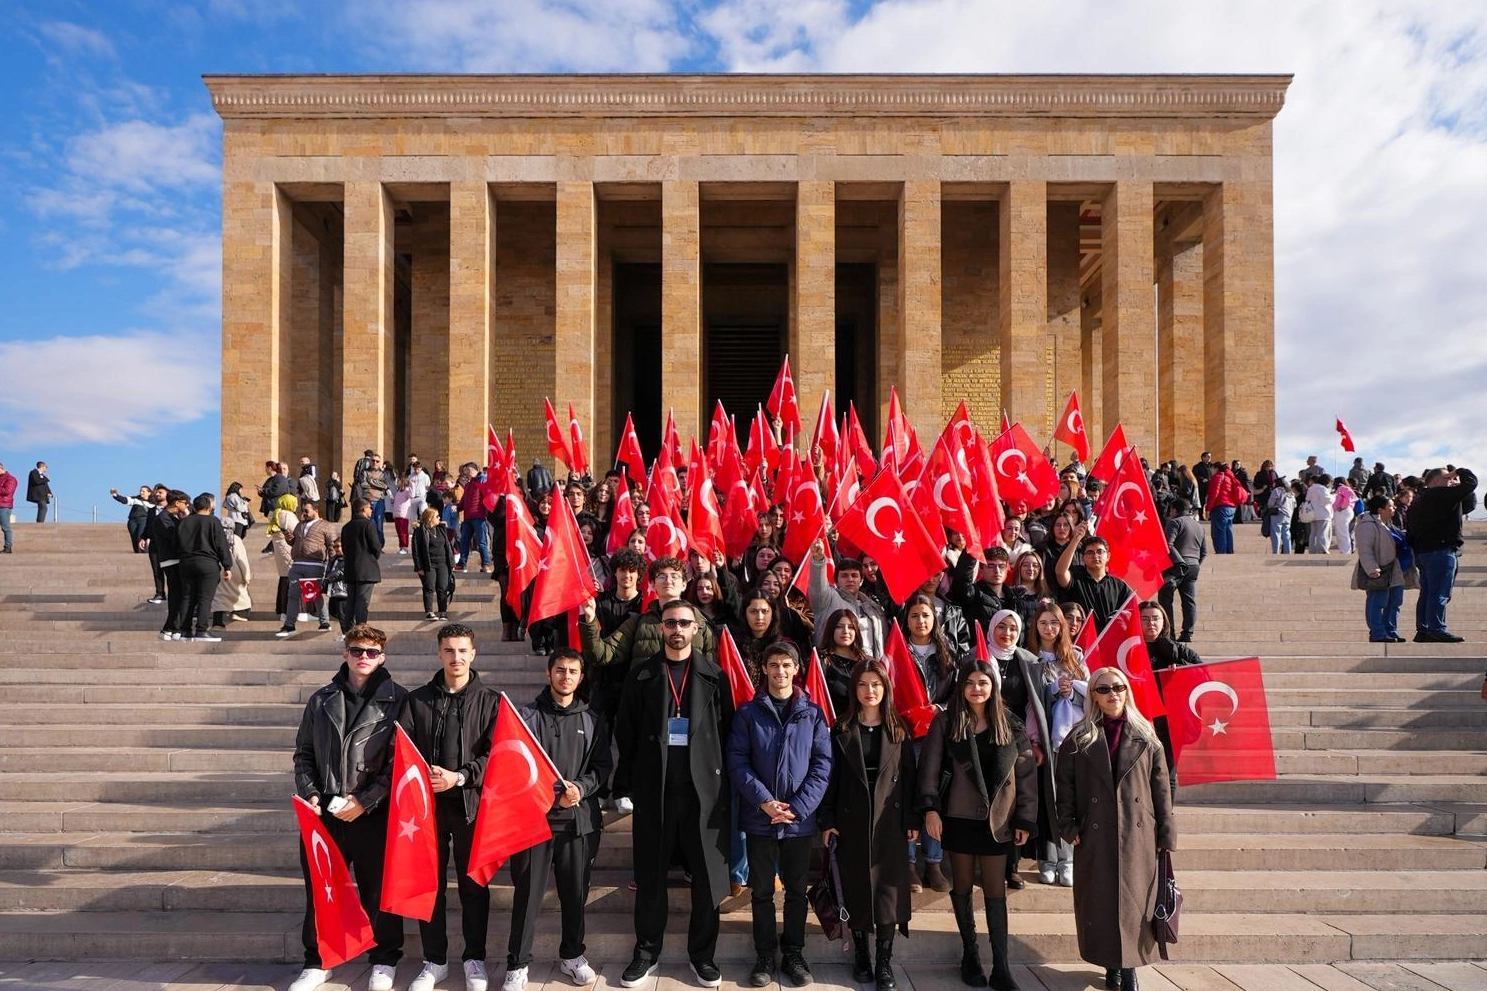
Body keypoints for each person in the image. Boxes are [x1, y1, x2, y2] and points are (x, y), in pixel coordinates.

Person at [612, 598, 733, 989]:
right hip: (656, 790)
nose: (677, 629)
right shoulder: (642, 674)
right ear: (660, 627)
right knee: (650, 878)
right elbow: (626, 731)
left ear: (696, 628)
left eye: (683, 622)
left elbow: (727, 732)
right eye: (670, 623)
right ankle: (646, 952)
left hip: (704, 794)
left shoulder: (715, 675)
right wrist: (627, 783)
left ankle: (703, 956)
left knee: (706, 880)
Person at [288, 624, 407, 991]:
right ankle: (318, 960)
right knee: (322, 890)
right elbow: (304, 754)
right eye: (357, 651)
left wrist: (365, 801)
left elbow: (399, 764)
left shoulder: (399, 700)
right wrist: (310, 794)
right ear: (345, 653)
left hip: (373, 812)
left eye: (372, 652)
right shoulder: (321, 699)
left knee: (377, 890)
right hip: (325, 812)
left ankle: (384, 959)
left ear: (382, 657)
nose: (363, 658)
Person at [1055, 666, 1176, 991]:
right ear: (1093, 695)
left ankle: (1130, 966)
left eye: (1119, 687)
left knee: (1135, 902)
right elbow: (1064, 786)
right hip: (1095, 833)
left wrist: (1166, 832)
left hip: (1138, 833)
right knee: (1102, 900)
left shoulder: (1146, 735)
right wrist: (1068, 826)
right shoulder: (1078, 737)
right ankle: (1111, 964)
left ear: (1127, 691)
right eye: (1104, 689)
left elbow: (1161, 787)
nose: (1113, 694)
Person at [918, 661, 1037, 990]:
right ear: (961, 687)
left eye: (983, 682)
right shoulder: (946, 721)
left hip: (998, 821)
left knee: (996, 891)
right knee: (962, 886)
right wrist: (930, 809)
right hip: (958, 817)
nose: (976, 689)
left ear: (993, 686)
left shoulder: (1010, 723)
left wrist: (1025, 817)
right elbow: (929, 768)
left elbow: (1026, 775)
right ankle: (970, 955)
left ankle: (1001, 965)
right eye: (969, 682)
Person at [398, 622, 500, 991]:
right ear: (439, 653)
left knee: (474, 886)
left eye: (462, 650)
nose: (456, 657)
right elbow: (403, 751)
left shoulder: (492, 701)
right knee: (430, 886)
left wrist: (460, 777)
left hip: (471, 807)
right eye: (449, 650)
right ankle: (434, 960)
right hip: (426, 811)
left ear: (473, 654)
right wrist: (425, 776)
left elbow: (497, 755)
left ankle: (474, 958)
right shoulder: (417, 700)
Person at [727, 642, 833, 988]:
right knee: (761, 892)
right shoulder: (748, 713)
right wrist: (764, 802)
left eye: (787, 665)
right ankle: (764, 955)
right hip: (760, 819)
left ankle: (793, 953)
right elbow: (737, 761)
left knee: (797, 891)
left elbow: (822, 765)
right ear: (764, 669)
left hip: (799, 822)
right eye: (774, 665)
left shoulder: (812, 714)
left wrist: (798, 808)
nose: (780, 671)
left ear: (796, 669)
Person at [506, 648, 611, 991]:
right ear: (548, 673)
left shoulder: (592, 719)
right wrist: (553, 794)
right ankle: (517, 964)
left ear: (581, 678)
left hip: (578, 823)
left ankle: (572, 955)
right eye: (560, 670)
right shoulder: (526, 717)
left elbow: (602, 768)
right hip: (533, 823)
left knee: (574, 895)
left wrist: (580, 788)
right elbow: (516, 767)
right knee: (527, 896)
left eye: (573, 671)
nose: (566, 676)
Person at [818, 659, 919, 991]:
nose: (869, 690)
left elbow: (910, 779)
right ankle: (861, 954)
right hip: (852, 822)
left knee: (888, 892)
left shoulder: (899, 729)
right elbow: (830, 779)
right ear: (854, 690)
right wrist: (827, 820)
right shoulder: (841, 728)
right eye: (862, 684)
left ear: (885, 688)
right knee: (856, 887)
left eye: (875, 684)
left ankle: (884, 963)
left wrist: (912, 819)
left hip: (890, 822)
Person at [1025, 602, 1086, 887]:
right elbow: (1029, 701)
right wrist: (1052, 690)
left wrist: (1071, 691)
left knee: (1068, 798)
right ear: (1035, 627)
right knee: (1045, 799)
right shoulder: (1029, 658)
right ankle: (1047, 860)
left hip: (1070, 739)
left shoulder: (1076, 656)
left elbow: (1089, 695)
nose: (1049, 628)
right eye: (1043, 623)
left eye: (1054, 623)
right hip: (1043, 737)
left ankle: (1067, 859)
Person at [1407, 466, 1477, 643]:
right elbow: (1471, 483)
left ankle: (1423, 630)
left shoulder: (1418, 500)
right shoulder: (1441, 495)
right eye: (1448, 478)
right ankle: (1437, 629)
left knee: (1427, 592)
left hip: (1423, 553)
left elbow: (1468, 504)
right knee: (1439, 592)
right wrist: (1459, 472)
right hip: (1441, 551)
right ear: (1437, 481)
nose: (1452, 481)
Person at [1138, 601, 1200, 796]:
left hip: (1170, 720)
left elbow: (1204, 674)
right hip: (1139, 719)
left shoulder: (1178, 649)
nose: (1151, 623)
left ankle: (1166, 813)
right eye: (1145, 619)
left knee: (1166, 773)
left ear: (1164, 621)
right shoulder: (1129, 648)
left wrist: (1181, 668)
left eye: (1155, 618)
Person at [174, 493, 233, 642]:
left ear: (194, 507)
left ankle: (185, 631)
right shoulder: (213, 521)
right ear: (208, 507)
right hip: (207, 563)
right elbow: (221, 545)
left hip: (186, 562)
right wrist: (227, 566)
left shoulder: (184, 522)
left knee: (187, 597)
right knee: (205, 598)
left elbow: (176, 543)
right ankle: (201, 630)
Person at [808, 543, 885, 657]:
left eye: (854, 575)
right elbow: (817, 587)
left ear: (861, 581)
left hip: (869, 665)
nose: (850, 579)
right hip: (834, 664)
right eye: (844, 576)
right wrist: (818, 561)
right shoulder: (828, 599)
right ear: (837, 581)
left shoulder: (874, 607)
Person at [1354, 495, 1411, 643]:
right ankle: (1378, 632)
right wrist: (1372, 568)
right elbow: (1365, 549)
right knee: (1377, 602)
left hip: (1396, 570)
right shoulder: (1367, 525)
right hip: (1380, 570)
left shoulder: (1389, 524)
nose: (1394, 508)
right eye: (1390, 506)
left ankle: (1391, 631)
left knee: (1395, 602)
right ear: (1380, 509)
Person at [1054, 528, 1134, 632]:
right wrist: (1075, 540)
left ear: (1108, 556)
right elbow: (1060, 572)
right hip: (1080, 638)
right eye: (1090, 552)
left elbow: (1132, 614)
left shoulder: (1120, 586)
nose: (1095, 556)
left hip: (1110, 638)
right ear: (1083, 558)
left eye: (1100, 552)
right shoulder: (1075, 578)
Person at [277, 500, 334, 638]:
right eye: (303, 510)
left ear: (316, 510)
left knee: (314, 595)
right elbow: (294, 542)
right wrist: (289, 539)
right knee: (293, 595)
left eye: (307, 510)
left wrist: (332, 564)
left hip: (314, 565)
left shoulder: (326, 525)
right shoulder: (300, 525)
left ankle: (324, 622)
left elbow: (332, 545)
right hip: (297, 564)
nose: (304, 513)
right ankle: (289, 625)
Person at [1159, 498, 1207, 642]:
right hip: (1193, 567)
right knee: (1189, 601)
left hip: (1176, 567)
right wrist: (1194, 564)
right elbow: (1204, 552)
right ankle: (1188, 633)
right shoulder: (1199, 526)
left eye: (1171, 510)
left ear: (1174, 510)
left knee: (1165, 598)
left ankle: (1169, 633)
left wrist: (1179, 562)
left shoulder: (1174, 522)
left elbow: (1167, 545)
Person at [149, 490, 191, 641]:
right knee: (177, 595)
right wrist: (187, 519)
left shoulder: (171, 517)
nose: (187, 506)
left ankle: (170, 628)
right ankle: (172, 627)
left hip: (175, 560)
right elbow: (176, 536)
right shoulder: (163, 518)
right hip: (171, 560)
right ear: (177, 503)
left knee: (177, 594)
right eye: (185, 503)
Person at [339, 499, 382, 633]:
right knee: (363, 602)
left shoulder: (346, 527)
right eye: (370, 507)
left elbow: (344, 549)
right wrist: (372, 557)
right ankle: (360, 630)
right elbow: (376, 547)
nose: (371, 510)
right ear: (363, 509)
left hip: (351, 569)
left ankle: (348, 629)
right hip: (366, 570)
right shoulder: (368, 524)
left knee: (351, 601)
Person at [211, 508, 253, 628]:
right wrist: (246, 576)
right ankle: (240, 613)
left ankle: (217, 621)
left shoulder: (213, 537)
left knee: (219, 595)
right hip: (233, 570)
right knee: (241, 594)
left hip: (217, 569)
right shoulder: (235, 539)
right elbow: (241, 558)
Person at [412, 506, 455, 621]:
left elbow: (448, 546)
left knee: (443, 587)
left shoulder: (441, 529)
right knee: (429, 587)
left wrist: (451, 562)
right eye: (437, 516)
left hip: (443, 563)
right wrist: (419, 567)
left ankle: (443, 611)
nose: (439, 518)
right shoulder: (420, 531)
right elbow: (416, 550)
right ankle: (429, 612)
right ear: (430, 518)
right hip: (429, 564)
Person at [1202, 462, 1246, 554]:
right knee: (1228, 530)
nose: (1211, 471)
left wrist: (1208, 509)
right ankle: (1229, 551)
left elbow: (1214, 494)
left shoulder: (1218, 477)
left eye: (1212, 468)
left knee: (1219, 531)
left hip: (1221, 507)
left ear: (1216, 468)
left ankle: (1221, 552)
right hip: (1231, 507)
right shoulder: (1229, 477)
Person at [111, 484, 155, 551]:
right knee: (134, 538)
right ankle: (137, 552)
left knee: (140, 536)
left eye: (143, 491)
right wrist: (115, 495)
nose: (141, 492)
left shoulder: (153, 503)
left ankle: (144, 551)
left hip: (144, 521)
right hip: (132, 521)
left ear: (149, 493)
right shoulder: (135, 499)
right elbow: (124, 500)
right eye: (140, 491)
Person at [1304, 473, 1335, 554]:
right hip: (1323, 514)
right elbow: (1327, 500)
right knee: (1323, 533)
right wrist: (1333, 496)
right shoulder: (1322, 488)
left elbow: (1307, 499)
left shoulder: (1311, 488)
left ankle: (1312, 549)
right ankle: (1322, 549)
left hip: (1312, 514)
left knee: (1313, 533)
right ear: (1327, 482)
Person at [1265, 476, 1295, 555]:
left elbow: (1270, 504)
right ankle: (1287, 552)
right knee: (1286, 534)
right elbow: (1294, 505)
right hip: (1288, 515)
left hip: (1278, 514)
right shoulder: (1291, 493)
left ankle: (1276, 552)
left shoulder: (1277, 490)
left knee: (1276, 534)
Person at [1332, 477, 1358, 556]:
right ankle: (1345, 551)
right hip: (1345, 511)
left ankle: (1345, 551)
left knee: (1342, 532)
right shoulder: (1343, 488)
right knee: (1342, 532)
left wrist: (1343, 506)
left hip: (1343, 511)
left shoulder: (1342, 487)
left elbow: (1349, 496)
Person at [0, 462, 15, 553]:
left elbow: (7, 491)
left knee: (5, 527)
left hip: (4, 506)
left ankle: (8, 547)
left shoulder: (10, 479)